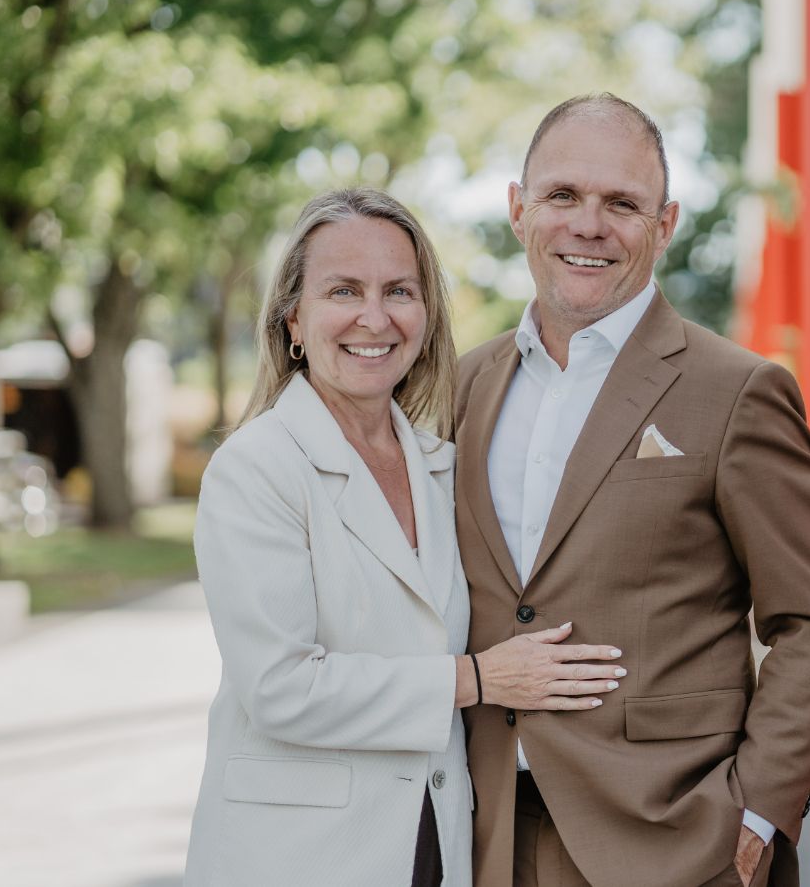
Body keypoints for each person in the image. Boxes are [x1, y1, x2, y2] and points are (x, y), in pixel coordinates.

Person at [452, 95, 810, 887]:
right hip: (487, 830)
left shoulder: (738, 390)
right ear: (518, 209)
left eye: (622, 204)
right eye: (563, 196)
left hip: (671, 840)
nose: (588, 224)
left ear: (664, 224)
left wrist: (755, 816)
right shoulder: (466, 383)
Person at [185, 188, 628, 887]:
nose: (375, 316)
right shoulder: (256, 467)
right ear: (294, 319)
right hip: (296, 854)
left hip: (432, 837)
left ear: (426, 316)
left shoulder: (444, 464)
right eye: (343, 290)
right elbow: (281, 686)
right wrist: (476, 679)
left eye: (399, 290)